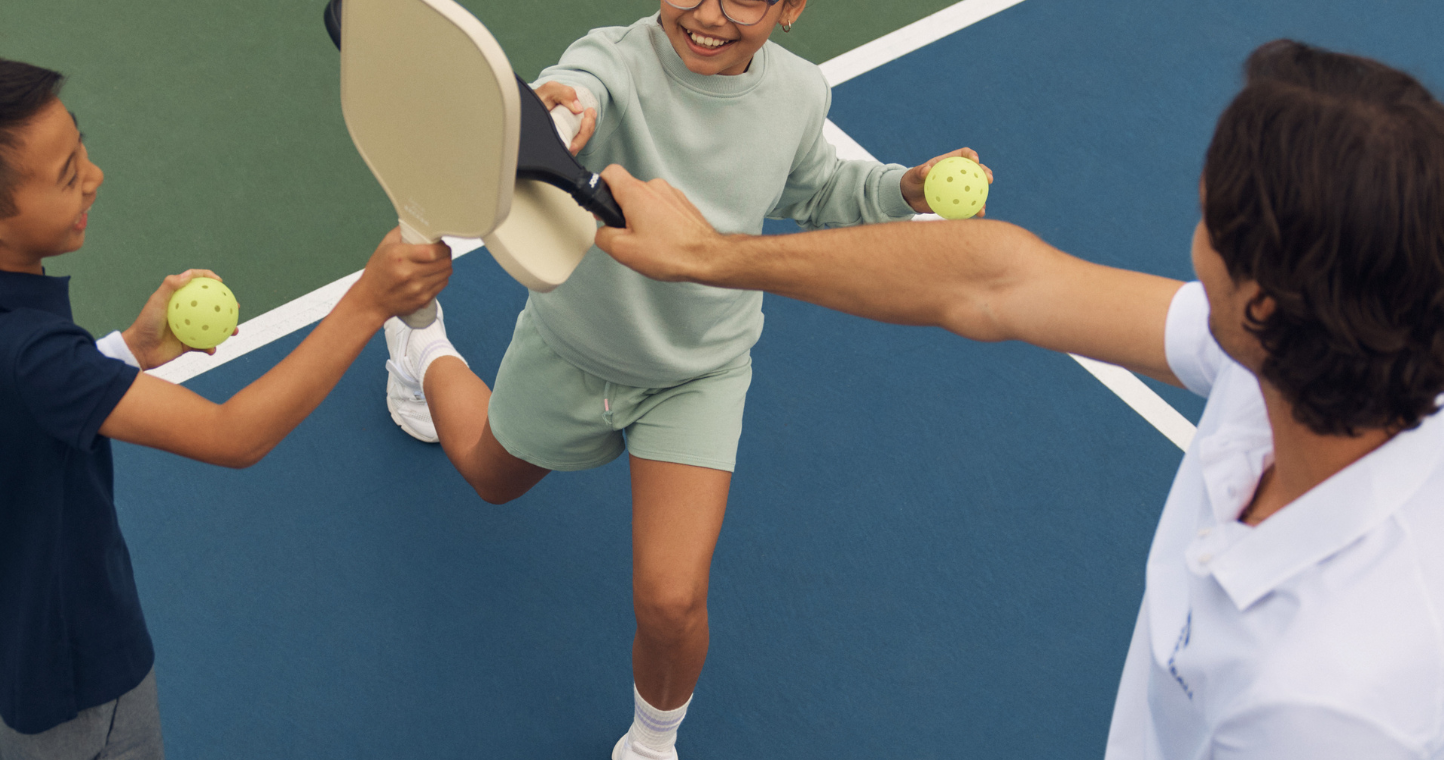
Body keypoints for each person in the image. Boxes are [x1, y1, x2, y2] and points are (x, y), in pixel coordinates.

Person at [592, 39, 1444, 758]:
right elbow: (997, 280)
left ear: (1260, 299)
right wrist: (710, 255)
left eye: (1206, 220)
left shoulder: (1322, 705)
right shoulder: (1300, 354)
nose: (1193, 240)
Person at [377, 0, 986, 756]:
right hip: (573, 348)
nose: (708, 13)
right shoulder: (615, 61)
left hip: (698, 374)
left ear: (793, 2)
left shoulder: (800, 93)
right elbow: (574, 89)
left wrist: (906, 187)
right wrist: (559, 114)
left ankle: (652, 742)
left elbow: (817, 187)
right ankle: (421, 345)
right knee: (489, 479)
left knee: (671, 598)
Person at [0, 53, 451, 760]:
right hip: (76, 666)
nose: (94, 175)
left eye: (79, 147)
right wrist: (369, 303)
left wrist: (127, 352)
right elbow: (232, 435)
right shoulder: (35, 359)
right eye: (66, 176)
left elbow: (22, 402)